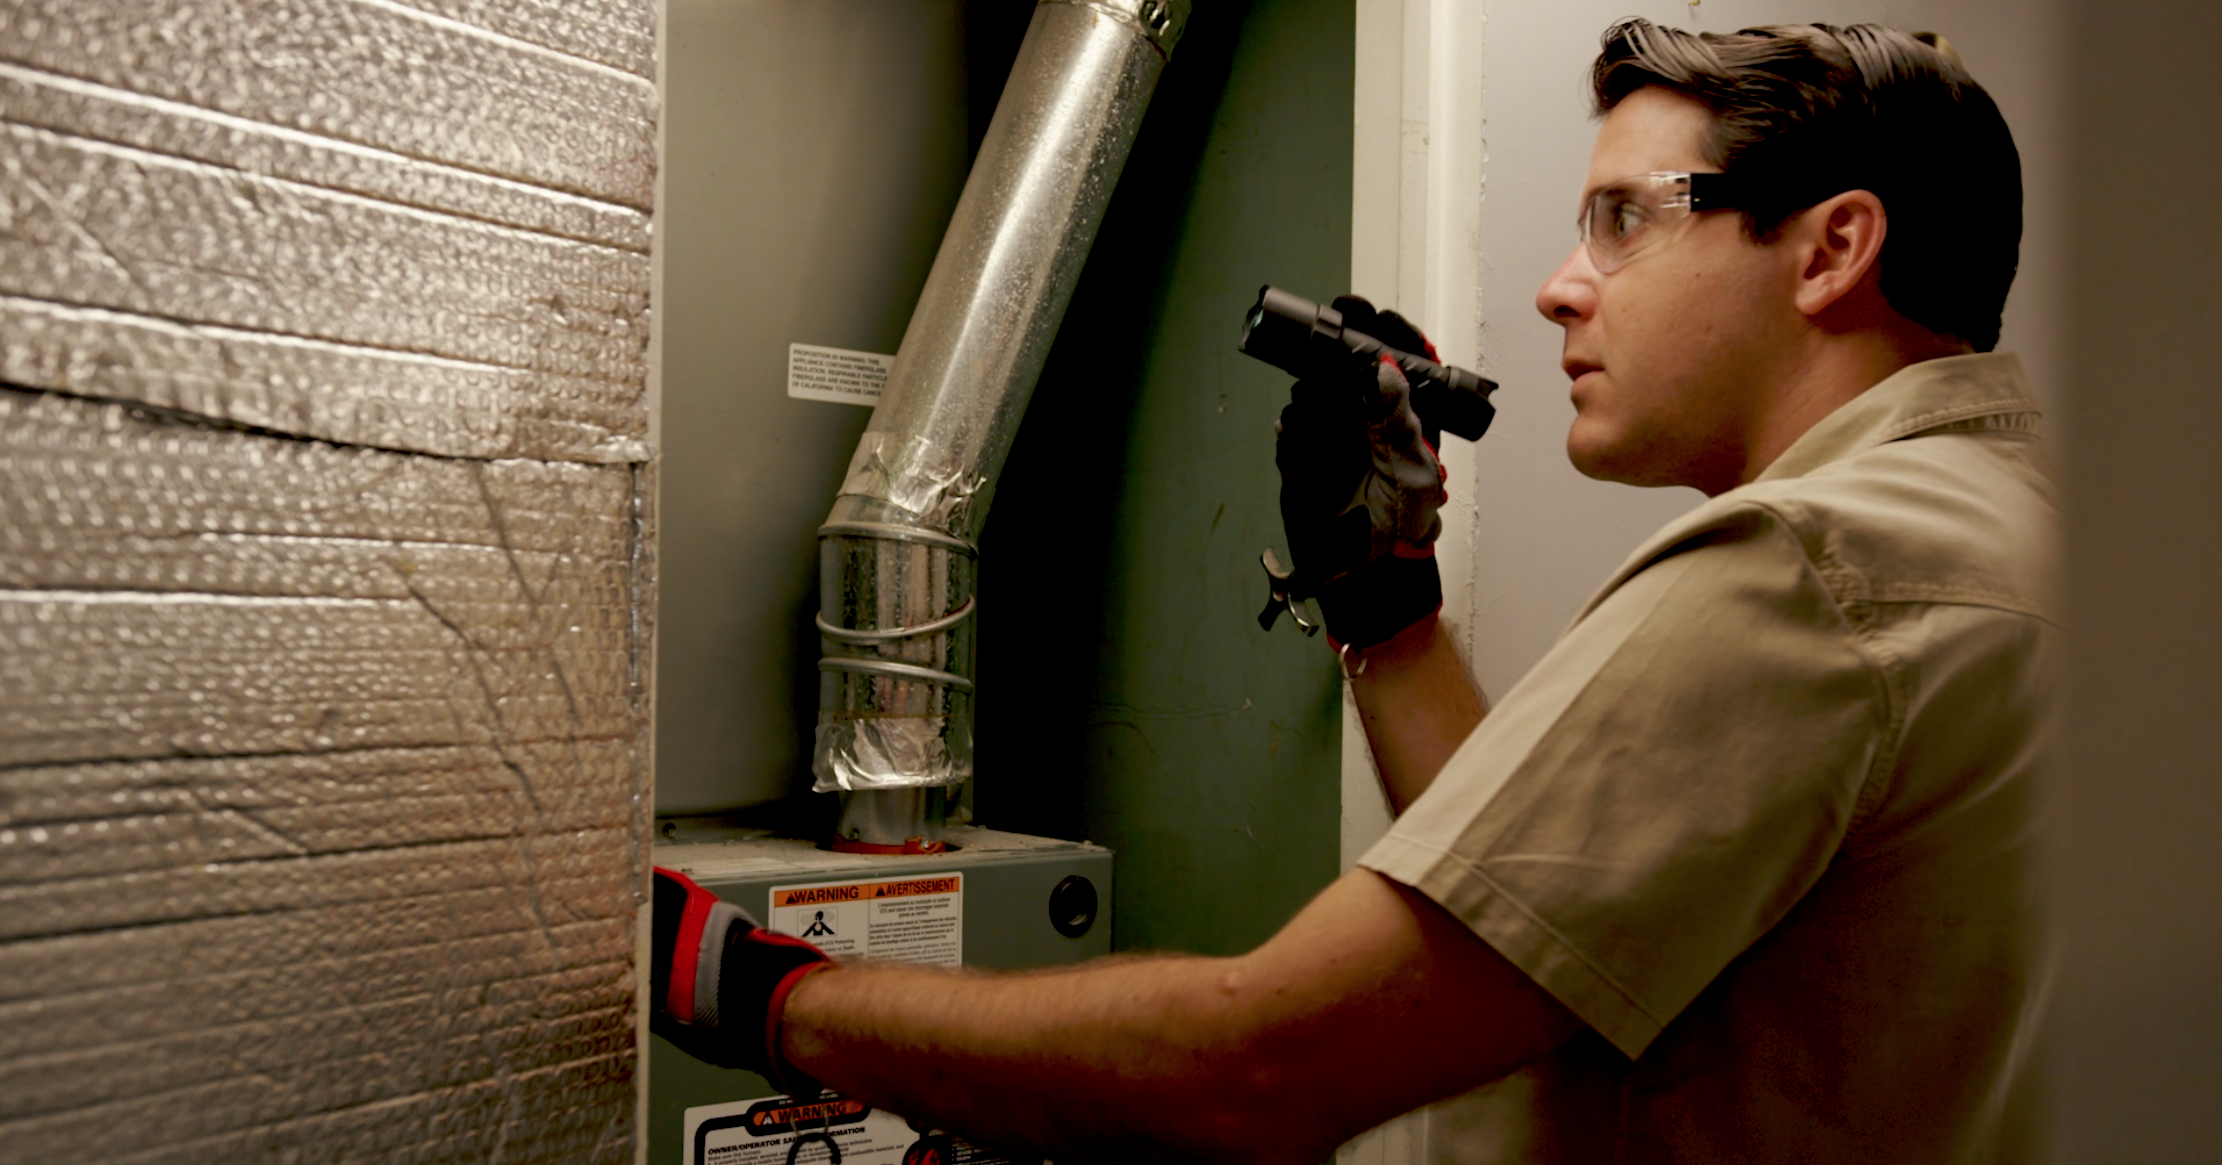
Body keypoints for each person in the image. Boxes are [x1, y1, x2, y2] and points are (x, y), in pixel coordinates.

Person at [652, 18, 2053, 1163]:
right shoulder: (2023, 537)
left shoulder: (1808, 571)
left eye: (1622, 219)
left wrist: (767, 991)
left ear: (1830, 248)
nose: (1562, 289)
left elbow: (1257, 1068)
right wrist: (1385, 612)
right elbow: (1532, 929)